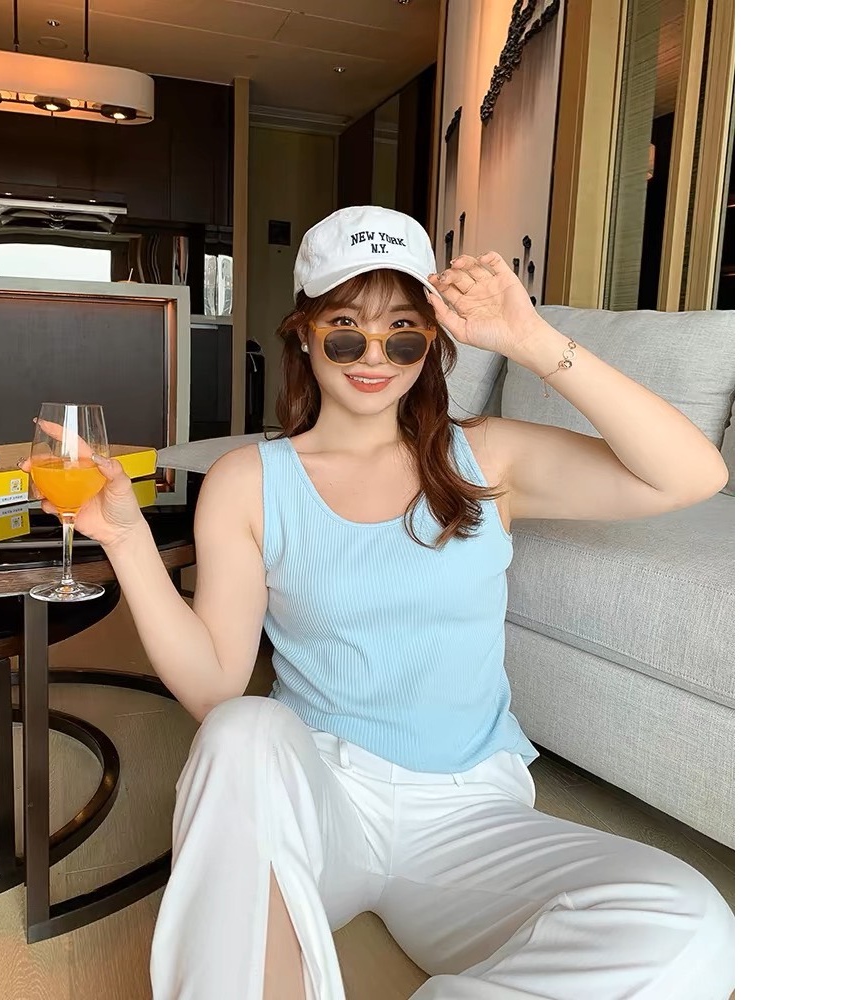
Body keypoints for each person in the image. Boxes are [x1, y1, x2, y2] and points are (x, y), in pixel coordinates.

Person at [37, 205, 735, 999]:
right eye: (346, 330)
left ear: (431, 341)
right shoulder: (249, 481)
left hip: (473, 815)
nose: (375, 356)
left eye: (403, 332)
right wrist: (125, 539)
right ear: (304, 334)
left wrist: (534, 341)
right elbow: (216, 685)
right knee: (241, 729)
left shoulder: (486, 457)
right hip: (324, 797)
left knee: (694, 925)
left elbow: (693, 476)